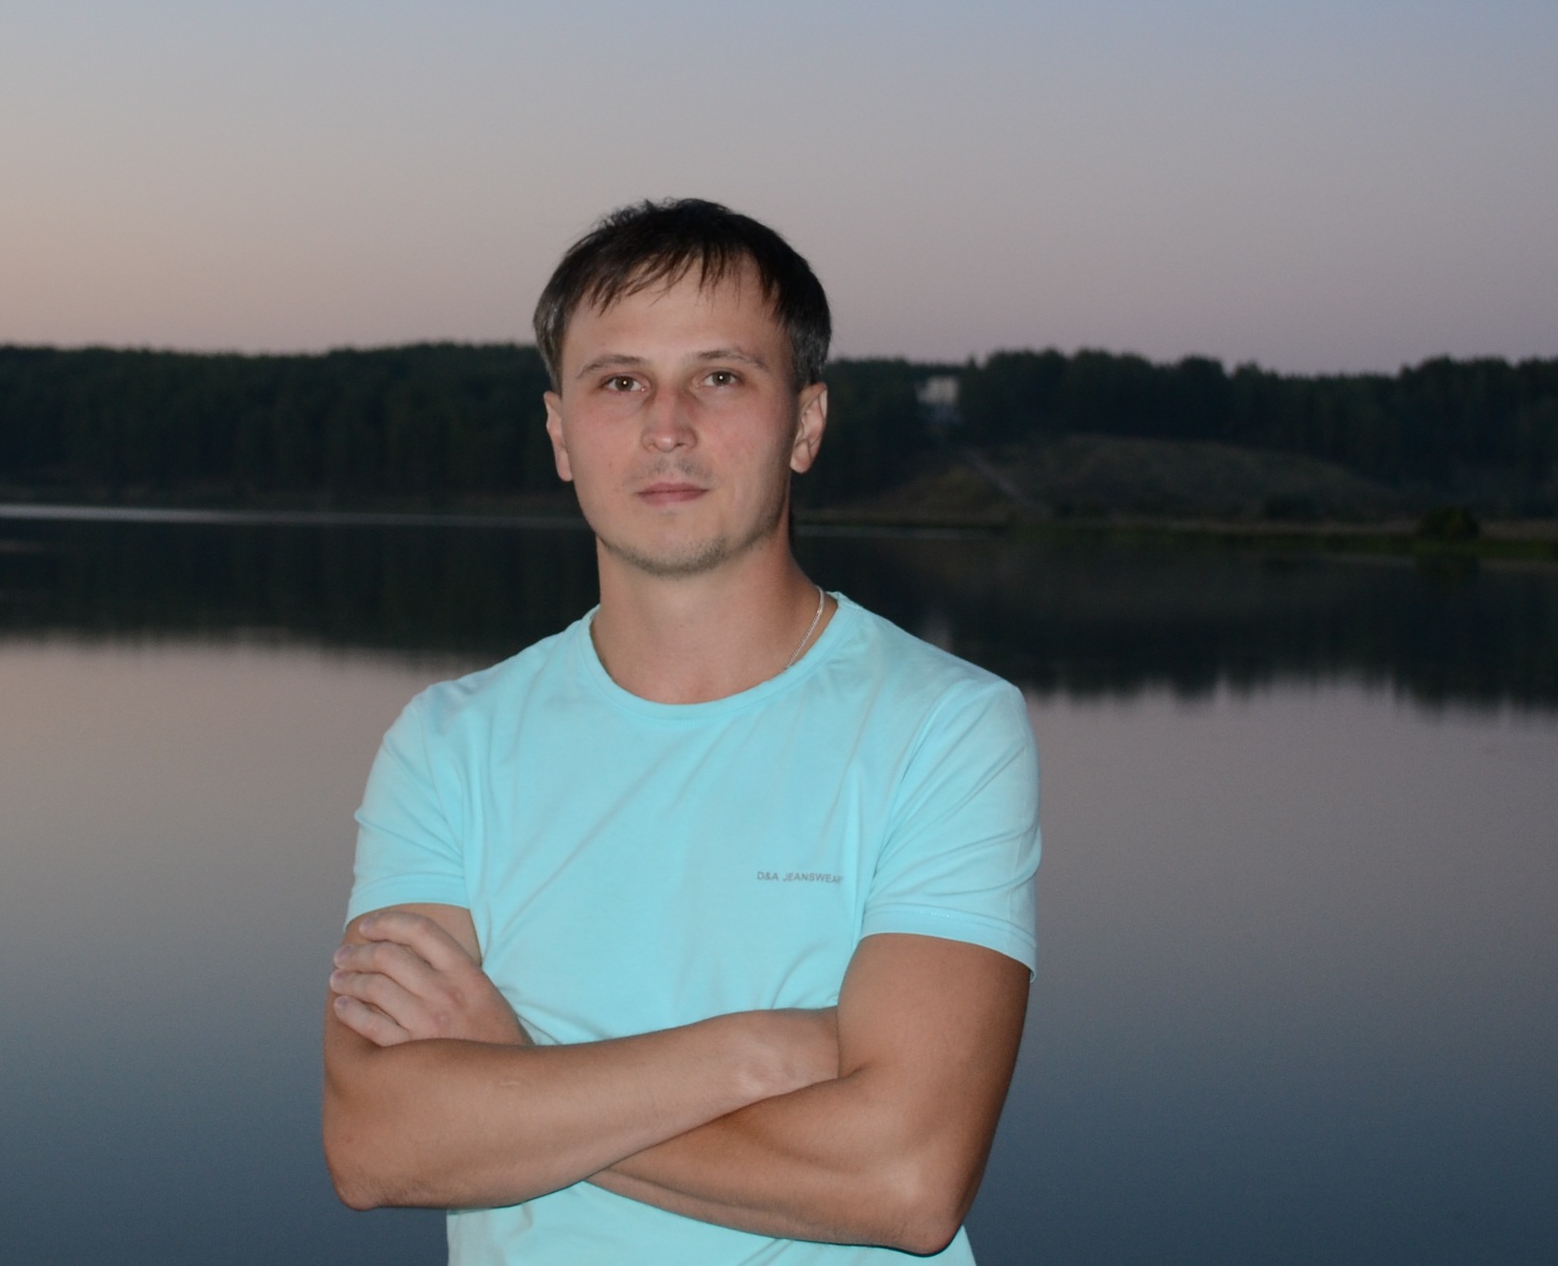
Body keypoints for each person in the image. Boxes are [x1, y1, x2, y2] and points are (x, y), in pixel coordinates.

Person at [323, 199, 1040, 1262]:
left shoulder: (944, 727)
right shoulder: (448, 746)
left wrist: (515, 1073)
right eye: (620, 382)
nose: (667, 425)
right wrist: (752, 1055)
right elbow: (377, 1143)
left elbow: (904, 1179)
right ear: (561, 434)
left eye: (720, 377)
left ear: (805, 424)